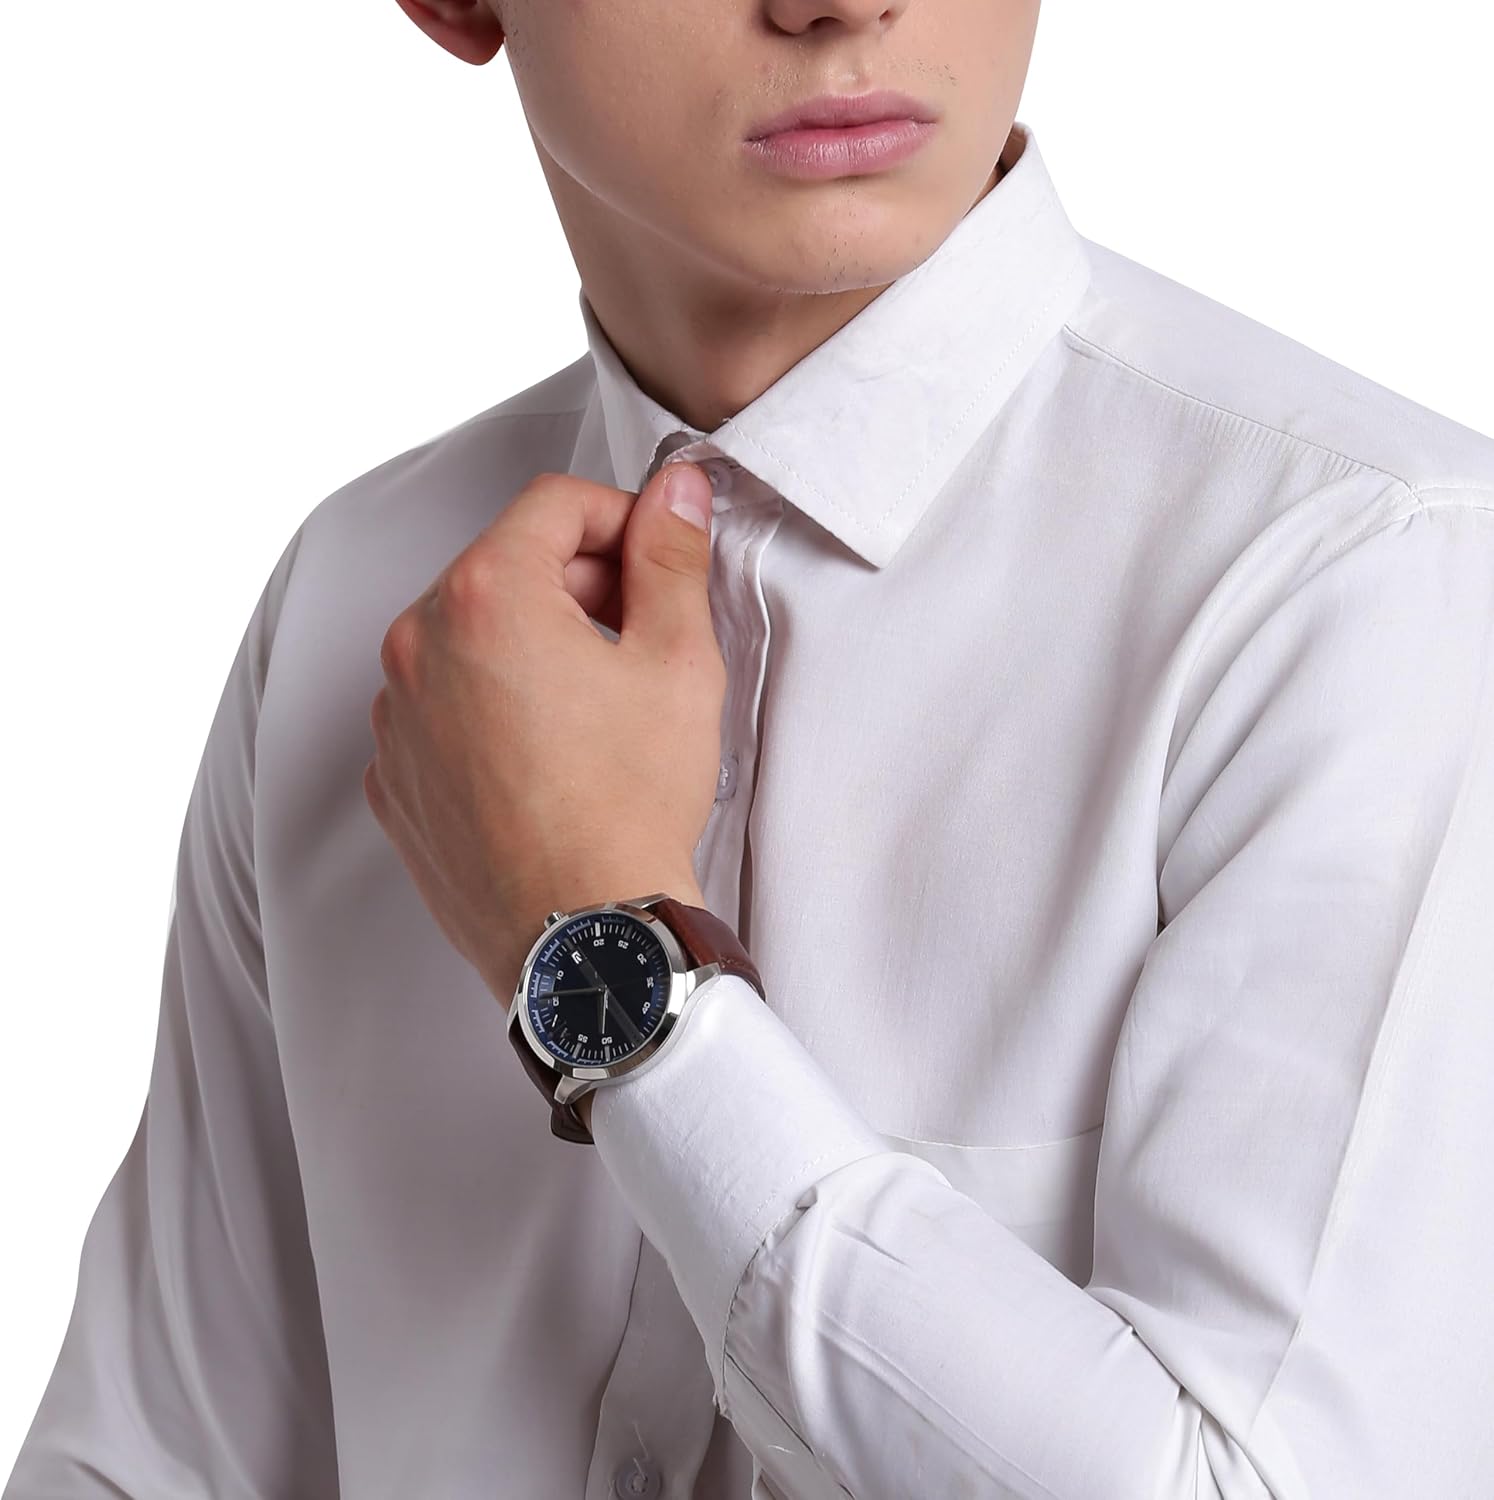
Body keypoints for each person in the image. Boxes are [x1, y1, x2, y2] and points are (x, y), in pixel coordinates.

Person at [7, 0, 1494, 1495]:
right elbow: (156, 1459)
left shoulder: (1365, 584)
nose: (842, 2)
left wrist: (611, 963)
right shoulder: (364, 599)